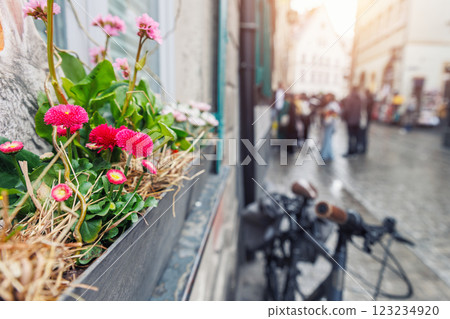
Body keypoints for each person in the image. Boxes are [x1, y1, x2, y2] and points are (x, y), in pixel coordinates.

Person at [320, 93, 340, 162]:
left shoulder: (332, 105)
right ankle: (328, 153)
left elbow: (332, 114)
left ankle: (325, 154)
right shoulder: (334, 104)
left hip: (330, 123)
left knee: (327, 138)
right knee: (328, 139)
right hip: (331, 123)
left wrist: (325, 113)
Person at [342, 87, 362, 157]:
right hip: (357, 121)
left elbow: (347, 110)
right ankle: (355, 151)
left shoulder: (350, 98)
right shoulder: (360, 99)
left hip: (350, 121)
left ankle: (350, 151)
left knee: (350, 137)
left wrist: (343, 117)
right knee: (356, 136)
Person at [357, 89, 374, 154]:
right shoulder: (369, 100)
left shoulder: (367, 100)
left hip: (365, 119)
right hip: (366, 119)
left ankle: (363, 148)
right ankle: (363, 148)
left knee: (363, 134)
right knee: (364, 134)